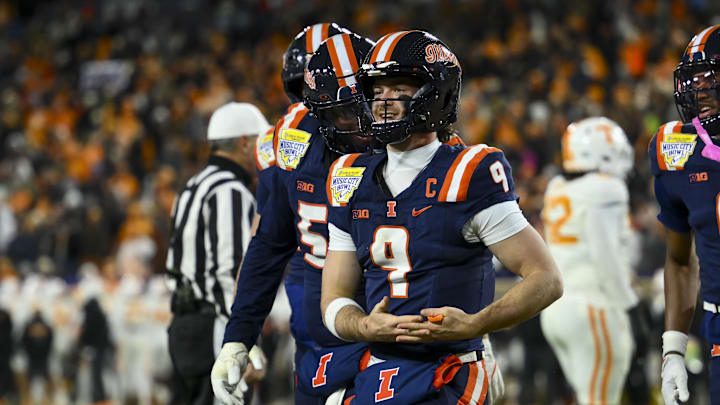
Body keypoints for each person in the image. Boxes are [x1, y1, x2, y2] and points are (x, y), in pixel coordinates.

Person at [320, 30, 562, 405]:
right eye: (377, 92)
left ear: (436, 95)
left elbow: (546, 278)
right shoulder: (349, 176)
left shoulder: (469, 171)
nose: (383, 102)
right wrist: (364, 324)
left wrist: (476, 324)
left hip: (449, 371)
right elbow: (333, 298)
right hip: (377, 369)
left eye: (397, 89)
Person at [211, 32, 375, 405]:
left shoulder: (404, 137)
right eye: (345, 111)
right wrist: (240, 334)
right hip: (321, 314)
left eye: (369, 101)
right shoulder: (292, 142)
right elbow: (268, 241)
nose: (362, 120)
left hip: (391, 319)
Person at [166, 101, 269, 405]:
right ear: (243, 142)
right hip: (214, 328)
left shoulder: (192, 186)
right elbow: (231, 272)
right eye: (258, 141)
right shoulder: (231, 191)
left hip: (183, 326)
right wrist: (244, 343)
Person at [539, 117, 637, 405]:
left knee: (588, 397)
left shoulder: (556, 187)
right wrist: (630, 307)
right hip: (594, 306)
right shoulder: (605, 188)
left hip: (557, 310)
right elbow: (606, 257)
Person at [649, 24, 720, 405]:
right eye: (695, 77)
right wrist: (673, 350)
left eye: (713, 75)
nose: (700, 88)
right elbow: (678, 260)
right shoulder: (674, 149)